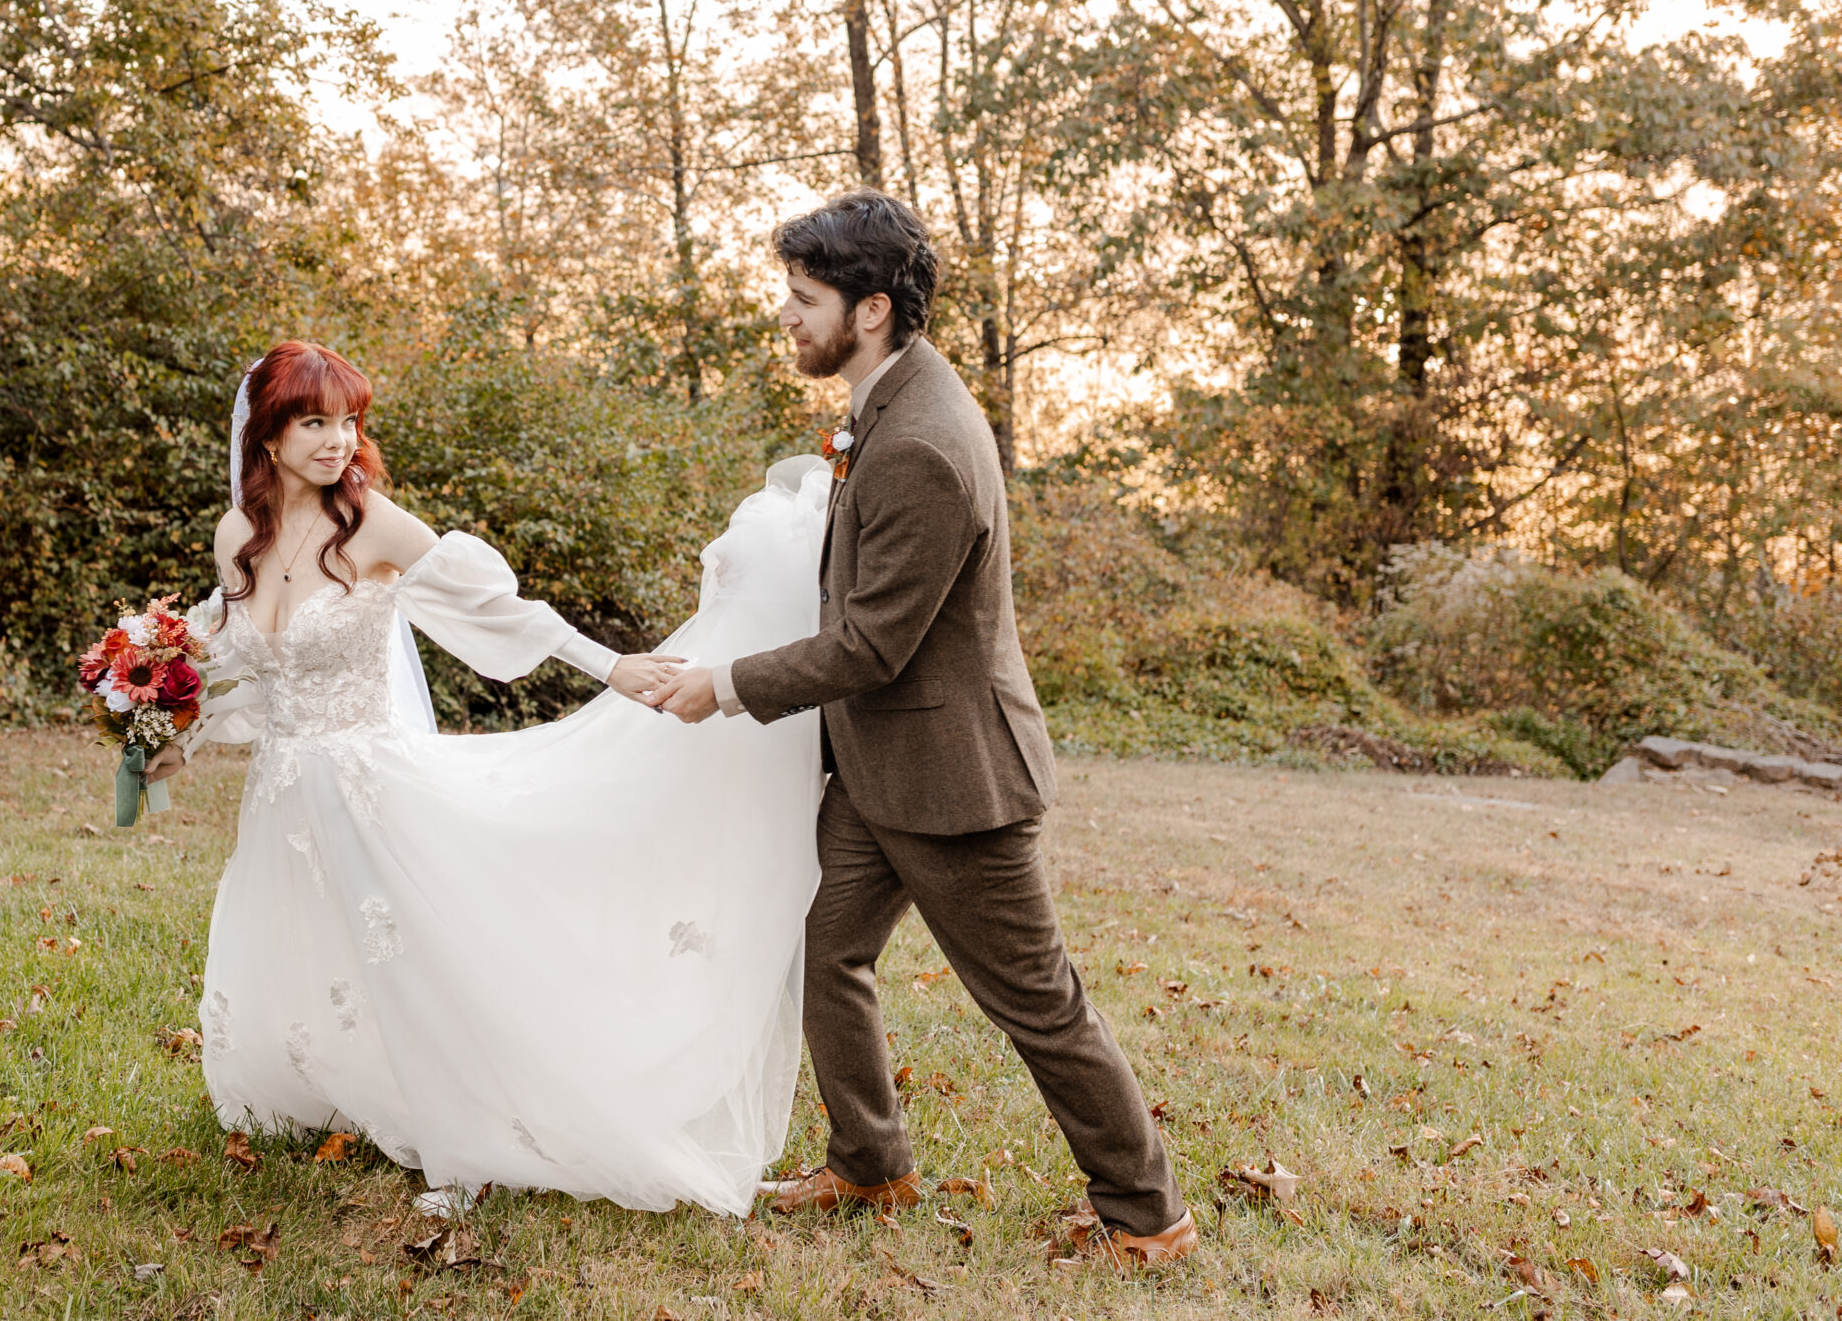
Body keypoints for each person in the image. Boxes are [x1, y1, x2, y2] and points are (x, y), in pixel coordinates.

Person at [146, 339, 832, 1214]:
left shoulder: (373, 524)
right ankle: (335, 1094)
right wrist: (177, 732)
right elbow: (252, 668)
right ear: (267, 435)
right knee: (316, 946)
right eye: (312, 421)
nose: (336, 441)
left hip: (365, 786)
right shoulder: (238, 535)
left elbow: (497, 612)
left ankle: (459, 1150)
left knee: (410, 964)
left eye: (348, 421)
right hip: (284, 792)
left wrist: (610, 665)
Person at [645, 191, 1197, 1267]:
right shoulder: (892, 406)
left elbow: (870, 646)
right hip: (877, 767)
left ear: (873, 311)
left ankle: (1148, 1217)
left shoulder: (924, 444)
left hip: (954, 783)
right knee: (822, 951)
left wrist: (724, 684)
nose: (789, 320)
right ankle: (870, 1164)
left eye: (805, 301)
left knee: (1038, 1005)